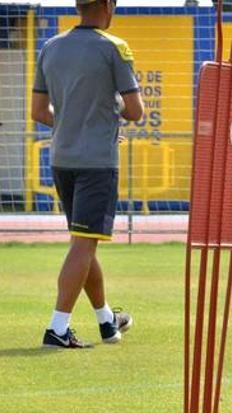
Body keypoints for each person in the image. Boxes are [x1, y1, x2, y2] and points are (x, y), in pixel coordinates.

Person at [31, 0, 143, 349]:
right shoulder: (115, 48)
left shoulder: (51, 46)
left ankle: (107, 322)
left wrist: (72, 122)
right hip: (97, 161)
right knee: (84, 243)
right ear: (109, 5)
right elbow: (135, 111)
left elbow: (38, 110)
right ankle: (57, 328)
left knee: (84, 242)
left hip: (62, 158)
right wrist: (108, 115)